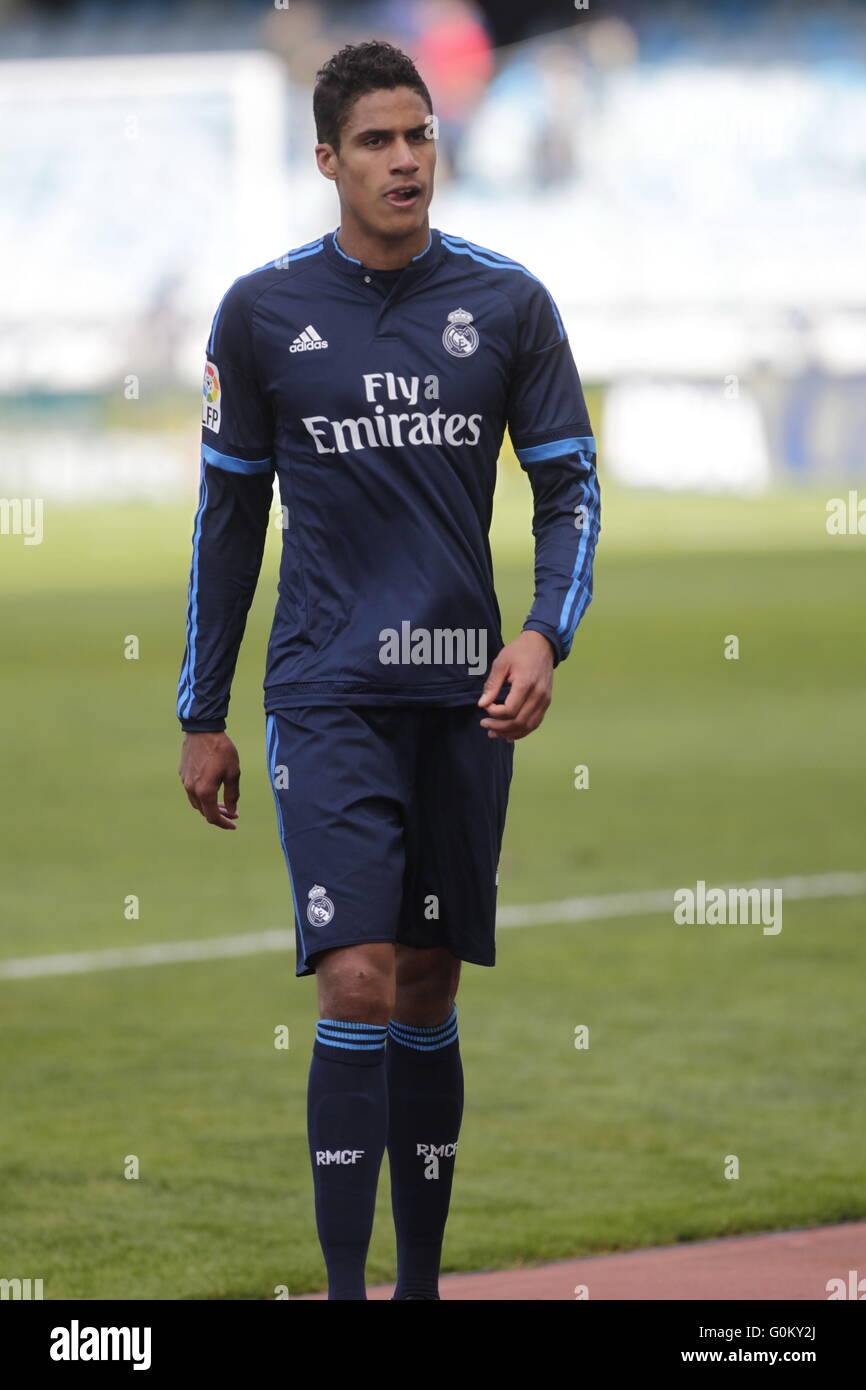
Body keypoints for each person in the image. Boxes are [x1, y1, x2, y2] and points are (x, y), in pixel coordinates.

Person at [177, 39, 600, 1301]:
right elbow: (226, 523)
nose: (405, 158)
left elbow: (569, 487)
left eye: (418, 134)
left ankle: (419, 1286)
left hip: (464, 695)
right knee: (355, 969)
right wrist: (202, 710)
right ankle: (346, 1291)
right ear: (326, 160)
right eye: (375, 140)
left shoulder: (509, 302)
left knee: (424, 986)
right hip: (327, 689)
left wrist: (542, 632)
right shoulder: (260, 314)